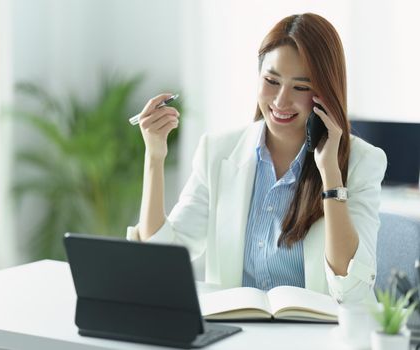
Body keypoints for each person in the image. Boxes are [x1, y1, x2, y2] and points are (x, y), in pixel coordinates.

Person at [127, 13, 386, 304]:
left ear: (325, 92)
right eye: (272, 81)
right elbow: (160, 260)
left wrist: (330, 174)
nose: (280, 101)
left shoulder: (363, 162)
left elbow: (350, 290)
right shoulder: (218, 152)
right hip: (238, 336)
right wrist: (155, 157)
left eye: (300, 87)